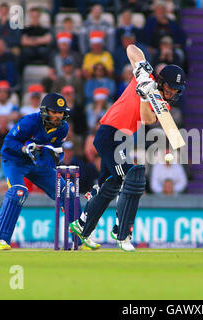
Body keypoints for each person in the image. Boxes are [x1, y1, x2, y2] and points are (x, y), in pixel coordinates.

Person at [69, 45, 186, 252]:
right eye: (170, 88)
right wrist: (142, 69)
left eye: (176, 91)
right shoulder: (145, 78)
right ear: (161, 81)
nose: (172, 93)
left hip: (121, 140)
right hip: (108, 134)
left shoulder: (162, 103)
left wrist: (144, 97)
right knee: (130, 178)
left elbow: (148, 119)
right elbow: (131, 49)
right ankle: (122, 231)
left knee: (109, 186)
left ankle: (82, 226)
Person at [0, 93, 99, 251]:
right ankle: (0, 240)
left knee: (68, 191)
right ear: (44, 111)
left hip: (38, 163)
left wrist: (55, 157)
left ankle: (81, 239)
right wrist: (24, 149)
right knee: (18, 192)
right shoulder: (30, 121)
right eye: (54, 112)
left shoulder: (63, 128)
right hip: (15, 160)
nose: (57, 116)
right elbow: (9, 142)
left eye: (60, 112)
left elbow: (56, 152)